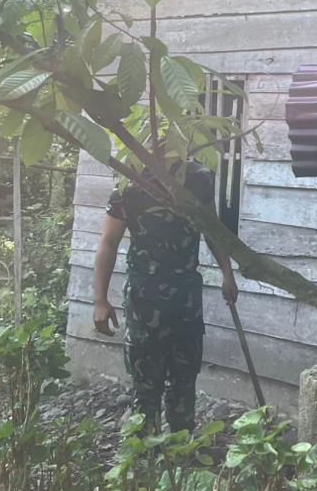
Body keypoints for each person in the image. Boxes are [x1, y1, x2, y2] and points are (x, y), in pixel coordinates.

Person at [91, 157, 238, 434]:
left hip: (186, 298)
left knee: (184, 380)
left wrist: (227, 273)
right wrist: (100, 299)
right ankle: (146, 453)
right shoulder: (130, 180)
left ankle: (180, 450)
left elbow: (212, 229)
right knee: (145, 383)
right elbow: (108, 242)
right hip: (144, 298)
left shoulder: (198, 178)